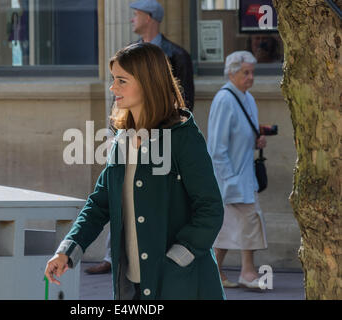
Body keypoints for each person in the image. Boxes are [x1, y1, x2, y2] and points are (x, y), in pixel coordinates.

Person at [45, 43, 225, 300]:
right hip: (131, 288)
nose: (112, 88)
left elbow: (210, 208)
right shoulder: (121, 138)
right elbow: (99, 204)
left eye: (121, 81)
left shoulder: (183, 137)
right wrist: (67, 250)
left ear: (147, 83)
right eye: (113, 80)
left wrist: (177, 258)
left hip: (179, 285)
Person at [86, 0, 196, 275]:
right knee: (119, 193)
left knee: (155, 197)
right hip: (128, 132)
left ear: (150, 17)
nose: (131, 19)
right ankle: (115, 257)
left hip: (162, 137)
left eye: (136, 15)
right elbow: (99, 202)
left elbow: (184, 101)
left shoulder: (176, 54)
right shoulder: (128, 55)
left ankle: (152, 259)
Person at [207, 51, 268, 289]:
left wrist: (256, 142)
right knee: (249, 220)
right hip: (231, 177)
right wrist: (229, 179)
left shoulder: (247, 98)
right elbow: (216, 147)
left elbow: (240, 136)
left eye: (253, 72)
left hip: (243, 175)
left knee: (229, 225)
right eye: (246, 72)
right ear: (231, 72)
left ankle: (215, 271)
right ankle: (248, 272)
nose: (250, 77)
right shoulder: (224, 100)